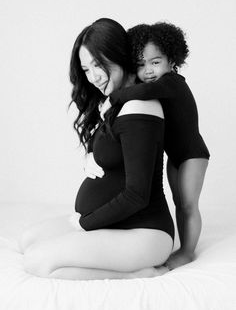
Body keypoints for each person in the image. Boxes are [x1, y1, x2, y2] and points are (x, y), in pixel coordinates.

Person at [19, 18, 174, 280]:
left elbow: (137, 195)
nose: (94, 77)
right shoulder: (117, 104)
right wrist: (90, 156)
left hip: (143, 232)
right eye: (86, 69)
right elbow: (113, 152)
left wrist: (84, 224)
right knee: (27, 241)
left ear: (120, 56)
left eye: (99, 64)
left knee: (37, 262)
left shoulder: (140, 107)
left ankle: (140, 274)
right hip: (112, 225)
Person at [104, 22, 210, 270]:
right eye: (140, 65)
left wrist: (113, 97)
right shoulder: (155, 87)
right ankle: (183, 244)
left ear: (172, 59)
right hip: (176, 155)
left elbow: (144, 91)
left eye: (155, 62)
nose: (148, 70)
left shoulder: (172, 82)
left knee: (187, 204)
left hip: (193, 154)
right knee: (178, 200)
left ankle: (186, 251)